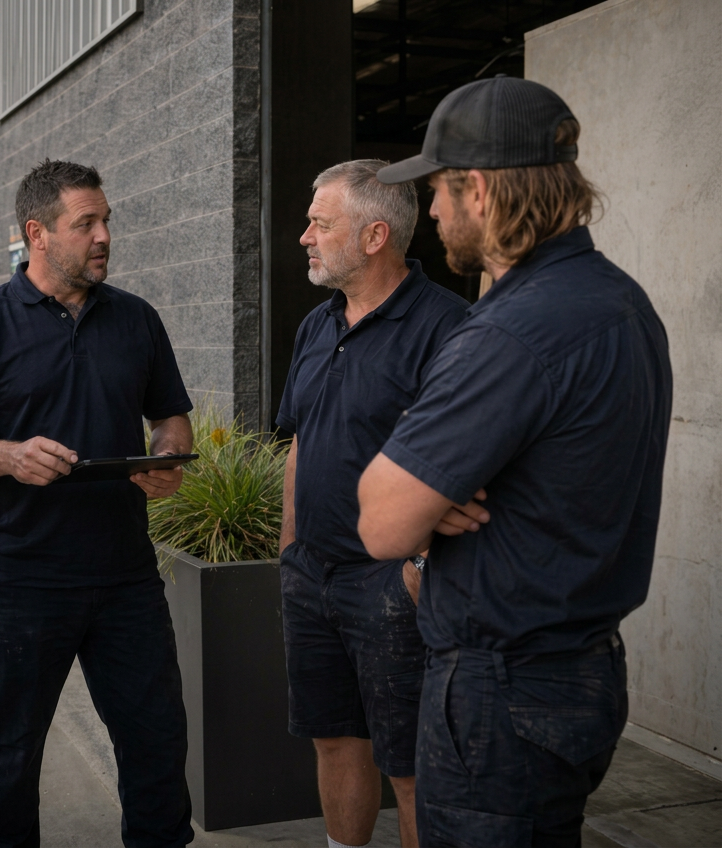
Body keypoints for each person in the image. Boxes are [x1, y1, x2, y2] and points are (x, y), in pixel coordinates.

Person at [361, 77, 672, 846]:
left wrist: (424, 485)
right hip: (578, 672)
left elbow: (382, 520)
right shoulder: (620, 303)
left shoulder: (511, 333)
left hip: (503, 693)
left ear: (479, 190)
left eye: (436, 190)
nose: (429, 213)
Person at [0, 159, 195, 848]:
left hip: (126, 578)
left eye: (106, 221)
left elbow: (171, 420)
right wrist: (8, 456)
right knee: (9, 761)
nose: (104, 235)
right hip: (18, 581)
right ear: (37, 233)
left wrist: (166, 460)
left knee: (157, 747)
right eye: (86, 223)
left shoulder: (136, 320)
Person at [276, 160, 467, 848]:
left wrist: (418, 563)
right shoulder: (316, 325)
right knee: (335, 741)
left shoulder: (449, 328)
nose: (304, 237)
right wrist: (290, 549)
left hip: (392, 585)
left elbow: (465, 464)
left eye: (319, 224)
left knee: (413, 768)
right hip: (313, 575)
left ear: (375, 235)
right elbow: (301, 440)